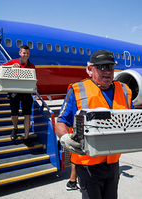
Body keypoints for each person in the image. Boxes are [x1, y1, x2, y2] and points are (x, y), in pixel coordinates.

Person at [56, 49, 134, 199]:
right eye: (102, 67)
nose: (107, 71)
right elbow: (61, 121)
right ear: (90, 70)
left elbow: (132, 119)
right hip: (87, 164)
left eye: (110, 67)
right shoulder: (77, 90)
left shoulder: (124, 91)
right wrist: (64, 137)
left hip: (113, 162)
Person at [0, 45, 35, 147]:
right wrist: (11, 67)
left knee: (27, 116)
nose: (25, 55)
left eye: (27, 53)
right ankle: (15, 128)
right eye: (24, 53)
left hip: (26, 93)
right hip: (14, 92)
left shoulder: (32, 66)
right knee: (14, 115)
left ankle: (26, 137)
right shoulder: (13, 62)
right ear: (20, 53)